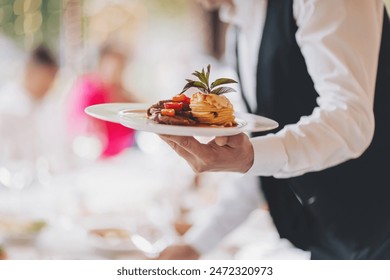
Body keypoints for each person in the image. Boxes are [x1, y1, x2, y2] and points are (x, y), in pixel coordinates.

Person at [160, 0, 390, 259]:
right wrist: (195, 244)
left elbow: (350, 120)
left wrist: (249, 156)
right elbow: (262, 155)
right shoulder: (239, 27)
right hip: (323, 242)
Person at [0, 45, 65, 176]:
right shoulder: (6, 108)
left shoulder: (49, 107)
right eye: (47, 77)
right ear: (30, 71)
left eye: (53, 78)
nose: (50, 85)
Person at [66, 43, 136, 158]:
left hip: (120, 162)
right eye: (111, 65)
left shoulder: (126, 97)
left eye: (120, 66)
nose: (115, 71)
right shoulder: (87, 89)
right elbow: (81, 127)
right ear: (101, 64)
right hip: (90, 160)